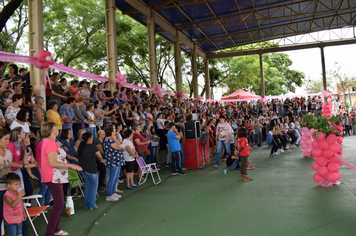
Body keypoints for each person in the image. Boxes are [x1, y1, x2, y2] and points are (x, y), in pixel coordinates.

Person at [40, 122, 82, 236]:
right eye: (55, 127)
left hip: (57, 176)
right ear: (50, 130)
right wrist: (71, 165)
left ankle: (56, 229)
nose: (58, 129)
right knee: (58, 204)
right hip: (53, 176)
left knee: (59, 203)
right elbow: (53, 162)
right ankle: (49, 232)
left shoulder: (52, 142)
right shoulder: (50, 143)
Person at [77, 132, 103, 210]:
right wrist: (101, 160)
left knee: (88, 186)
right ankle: (92, 204)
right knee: (94, 186)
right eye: (91, 137)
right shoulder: (92, 146)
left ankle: (86, 204)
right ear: (89, 139)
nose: (92, 139)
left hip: (83, 169)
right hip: (91, 169)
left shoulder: (81, 146)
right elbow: (99, 155)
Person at [103, 125, 124, 201]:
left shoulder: (111, 140)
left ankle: (113, 192)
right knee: (112, 178)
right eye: (114, 129)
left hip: (117, 161)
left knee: (115, 177)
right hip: (113, 161)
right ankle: (109, 194)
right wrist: (115, 138)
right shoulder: (108, 140)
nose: (115, 130)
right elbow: (119, 146)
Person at [0, 129, 12, 236]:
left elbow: (9, 170)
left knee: (8, 215)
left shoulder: (8, 153)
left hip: (8, 189)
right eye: (5, 139)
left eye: (8, 139)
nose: (8, 141)